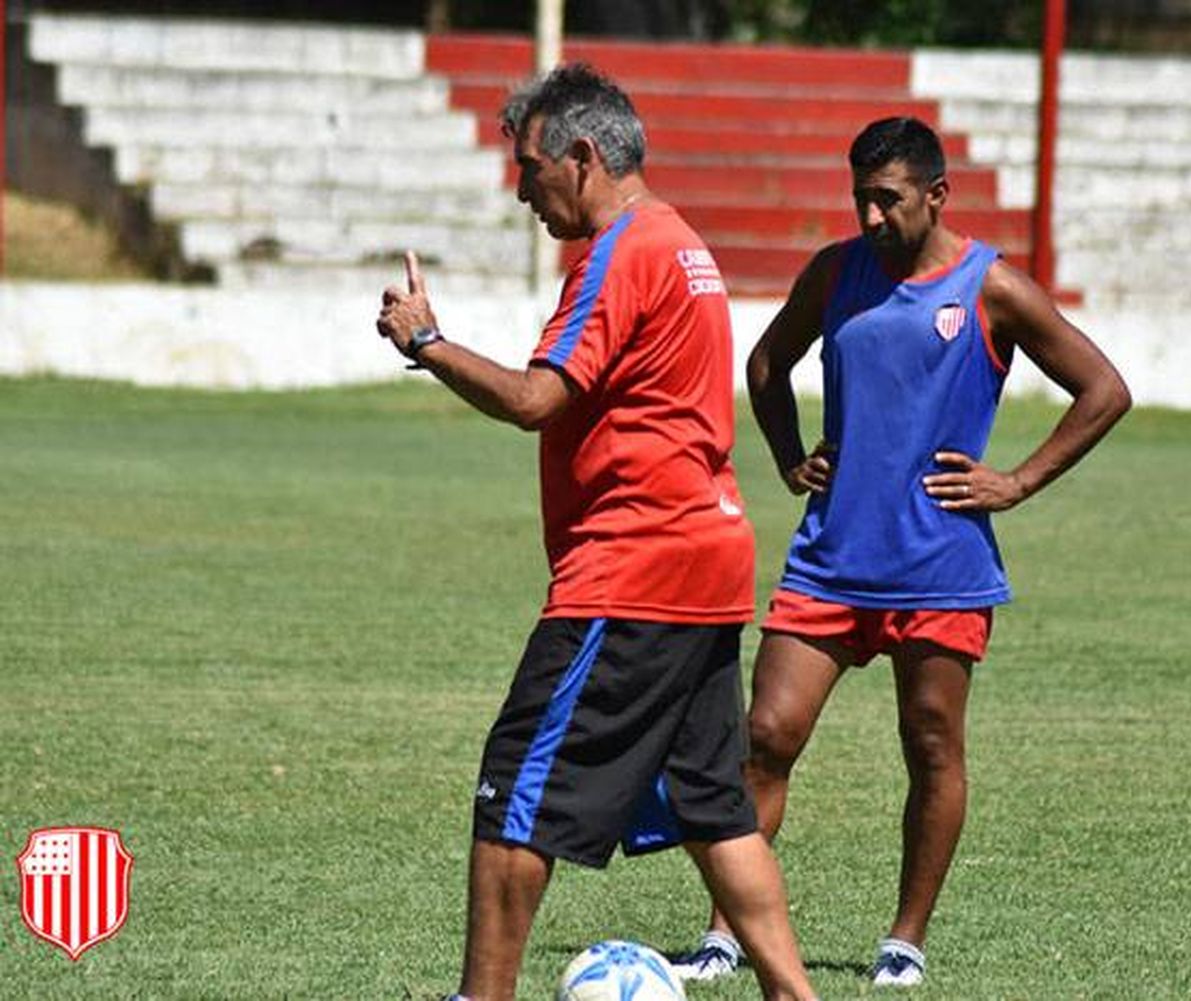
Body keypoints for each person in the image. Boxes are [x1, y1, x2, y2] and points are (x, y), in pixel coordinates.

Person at [375, 63, 819, 1001]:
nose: (524, 191)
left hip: (633, 570)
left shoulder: (621, 252)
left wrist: (427, 343)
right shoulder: (683, 242)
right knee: (714, 805)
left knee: (514, 790)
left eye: (531, 168)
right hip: (709, 562)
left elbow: (540, 399)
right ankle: (793, 992)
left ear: (581, 157)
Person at [672, 116, 1131, 989]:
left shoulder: (990, 285)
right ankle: (726, 931)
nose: (872, 217)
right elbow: (767, 362)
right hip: (831, 554)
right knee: (766, 734)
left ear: (935, 194)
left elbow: (1104, 389)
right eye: (860, 200)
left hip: (941, 564)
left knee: (929, 742)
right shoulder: (837, 272)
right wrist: (787, 454)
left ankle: (905, 938)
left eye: (888, 200)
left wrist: (1018, 481)